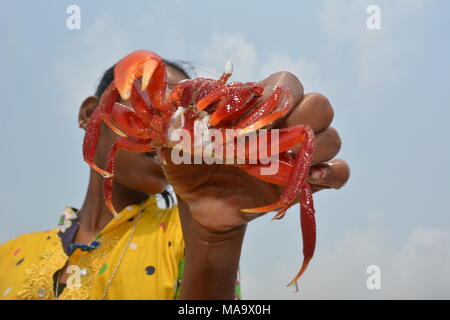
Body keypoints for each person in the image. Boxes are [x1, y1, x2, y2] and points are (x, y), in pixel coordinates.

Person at [0, 56, 350, 300]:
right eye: (156, 103)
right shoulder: (8, 255)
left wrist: (216, 240)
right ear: (93, 114)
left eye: (192, 115)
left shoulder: (188, 237)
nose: (175, 125)